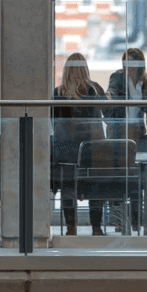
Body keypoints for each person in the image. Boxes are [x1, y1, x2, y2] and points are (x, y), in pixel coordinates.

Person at [106, 47, 147, 232]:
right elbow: (112, 92)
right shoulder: (117, 77)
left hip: (137, 132)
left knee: (136, 177)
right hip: (119, 132)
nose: (130, 65)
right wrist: (108, 96)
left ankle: (137, 220)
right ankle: (117, 221)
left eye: (134, 61)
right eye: (128, 61)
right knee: (117, 177)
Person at [52, 53, 108, 236]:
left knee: (68, 189)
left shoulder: (58, 93)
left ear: (66, 70)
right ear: (85, 68)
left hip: (66, 151)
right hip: (93, 150)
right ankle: (96, 227)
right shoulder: (95, 90)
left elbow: (54, 122)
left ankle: (71, 228)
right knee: (95, 188)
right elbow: (110, 114)